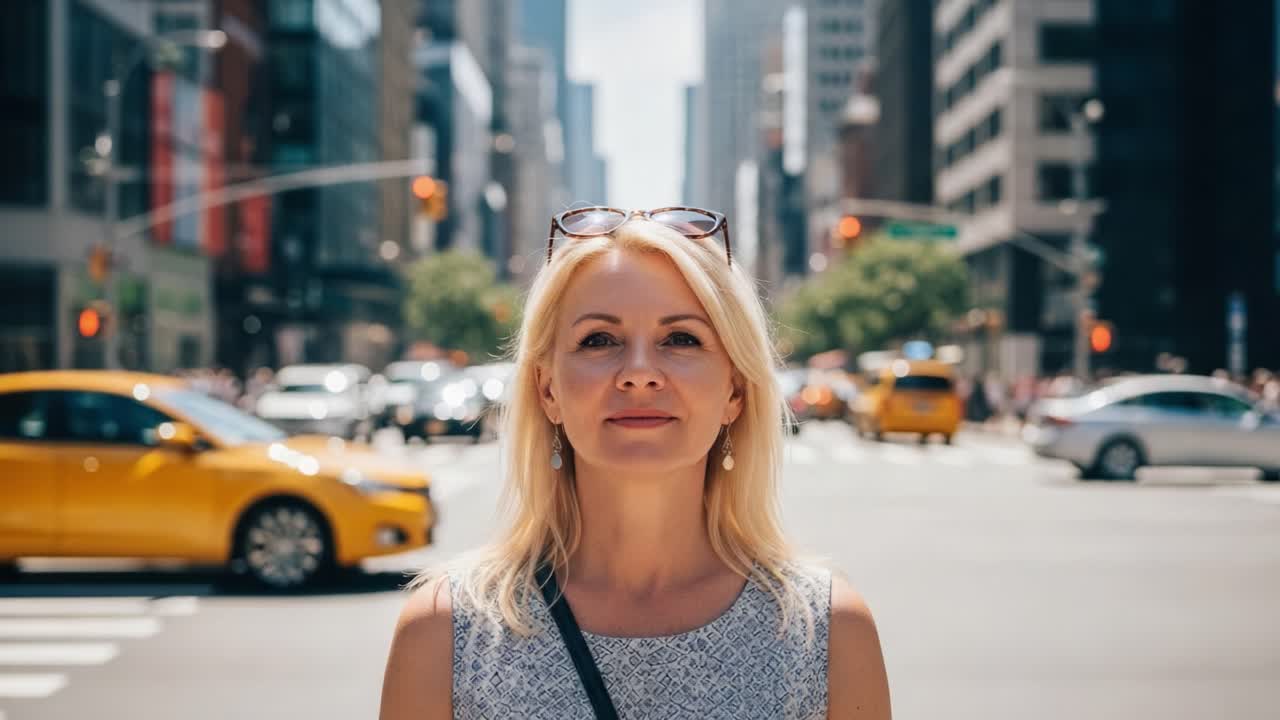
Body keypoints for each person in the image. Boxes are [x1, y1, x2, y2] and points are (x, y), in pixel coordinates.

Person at [380, 208, 891, 719]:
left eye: (681, 339)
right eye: (599, 340)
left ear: (734, 390)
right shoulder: (445, 631)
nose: (640, 374)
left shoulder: (827, 631)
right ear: (547, 389)